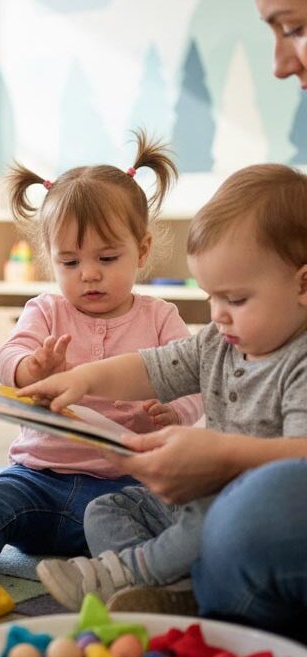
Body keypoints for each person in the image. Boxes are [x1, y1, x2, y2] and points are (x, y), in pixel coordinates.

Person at [0, 132, 203, 580]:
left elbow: (193, 380)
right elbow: (8, 356)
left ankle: (136, 577)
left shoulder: (161, 317)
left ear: (142, 250)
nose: (89, 274)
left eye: (107, 258)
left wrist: (176, 412)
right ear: (49, 259)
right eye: (70, 263)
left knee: (173, 512)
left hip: (125, 488)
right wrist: (29, 368)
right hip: (39, 478)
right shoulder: (45, 310)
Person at [22, 164, 307, 623]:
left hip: (243, 508)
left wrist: (218, 455)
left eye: (235, 300)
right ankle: (171, 589)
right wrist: (85, 379)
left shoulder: (299, 362)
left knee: (209, 515)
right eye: (211, 297)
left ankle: (131, 572)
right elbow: (150, 367)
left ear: (303, 285)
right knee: (106, 508)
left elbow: (298, 464)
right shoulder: (217, 341)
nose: (218, 316)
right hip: (192, 501)